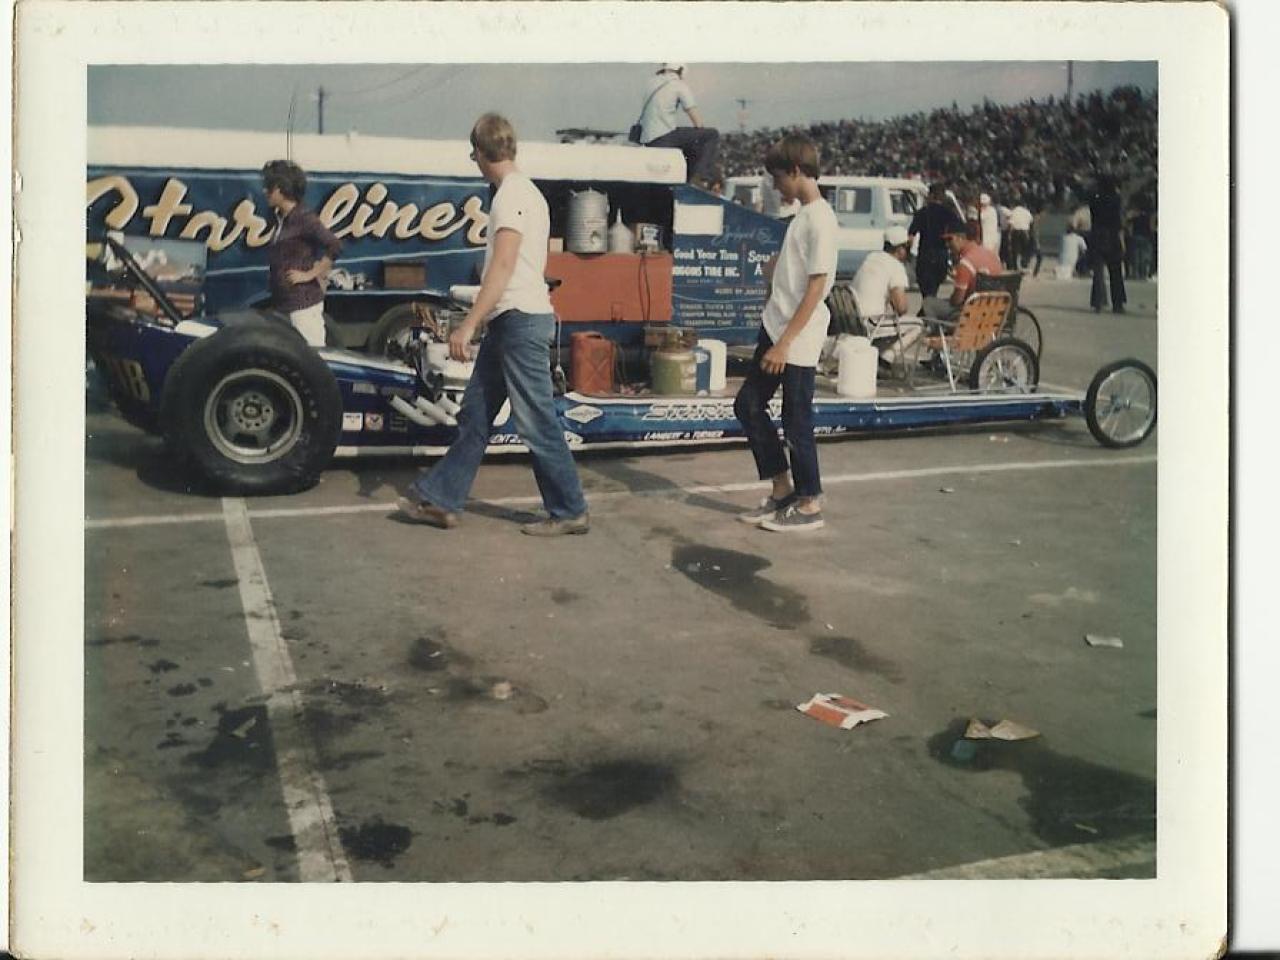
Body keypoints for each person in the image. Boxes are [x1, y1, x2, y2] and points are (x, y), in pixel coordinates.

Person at [397, 114, 589, 536]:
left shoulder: (511, 196)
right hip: (511, 320)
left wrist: (468, 325)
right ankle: (442, 500)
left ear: (482, 154)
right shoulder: (529, 193)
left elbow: (502, 267)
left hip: (520, 321)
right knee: (476, 414)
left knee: (535, 420)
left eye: (475, 156)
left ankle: (569, 510)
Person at [733, 134, 837, 533]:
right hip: (775, 327)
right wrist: (773, 274)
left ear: (796, 171)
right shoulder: (802, 217)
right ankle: (782, 489)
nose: (776, 187)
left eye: (778, 178)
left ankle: (809, 502)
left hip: (797, 338)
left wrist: (785, 343)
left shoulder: (821, 219)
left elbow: (817, 287)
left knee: (796, 420)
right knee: (748, 405)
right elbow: (795, 273)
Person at [261, 159, 342, 347]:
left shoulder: (304, 218)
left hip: (303, 304)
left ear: (280, 189)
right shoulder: (281, 219)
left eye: (269, 187)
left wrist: (310, 274)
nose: (265, 191)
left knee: (313, 353)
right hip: (283, 304)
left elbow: (335, 245)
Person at [638, 63, 720, 187]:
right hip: (664, 138)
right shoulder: (678, 85)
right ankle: (699, 177)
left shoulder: (651, 83)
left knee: (687, 139)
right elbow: (697, 121)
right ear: (681, 70)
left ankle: (689, 178)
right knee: (711, 135)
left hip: (647, 140)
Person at [850, 226, 918, 365]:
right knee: (918, 325)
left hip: (853, 318)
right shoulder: (896, 266)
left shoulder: (871, 258)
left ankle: (877, 357)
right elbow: (901, 308)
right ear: (900, 249)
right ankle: (886, 359)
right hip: (871, 321)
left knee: (889, 322)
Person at [921, 220, 1002, 321]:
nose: (947, 244)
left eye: (950, 239)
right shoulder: (993, 256)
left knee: (929, 302)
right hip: (994, 311)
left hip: (971, 314)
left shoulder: (966, 264)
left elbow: (957, 300)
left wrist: (952, 297)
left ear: (961, 238)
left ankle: (937, 328)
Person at [909, 182, 965, 299]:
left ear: (931, 195)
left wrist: (908, 255)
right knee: (933, 290)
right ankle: (929, 305)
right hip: (941, 255)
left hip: (925, 255)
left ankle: (928, 306)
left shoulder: (922, 213)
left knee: (926, 293)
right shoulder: (949, 214)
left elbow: (911, 236)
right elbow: (958, 235)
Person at [1087, 174, 1127, 313]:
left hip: (1097, 234)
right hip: (1113, 235)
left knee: (1098, 272)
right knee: (1115, 271)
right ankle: (1118, 303)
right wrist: (1122, 241)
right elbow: (1118, 221)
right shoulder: (1116, 200)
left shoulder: (1095, 199)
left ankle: (1098, 301)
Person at [1007, 199, 1033, 270]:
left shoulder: (1013, 211)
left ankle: (1015, 266)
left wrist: (1009, 234)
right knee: (1025, 249)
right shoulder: (1027, 212)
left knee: (1015, 250)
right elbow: (1031, 221)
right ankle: (1024, 264)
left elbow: (1011, 224)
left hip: (1016, 231)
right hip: (1025, 232)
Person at [978, 192, 1000, 257]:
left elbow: (981, 218)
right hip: (993, 236)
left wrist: (981, 211)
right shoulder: (993, 210)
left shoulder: (987, 211)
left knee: (988, 254)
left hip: (988, 237)